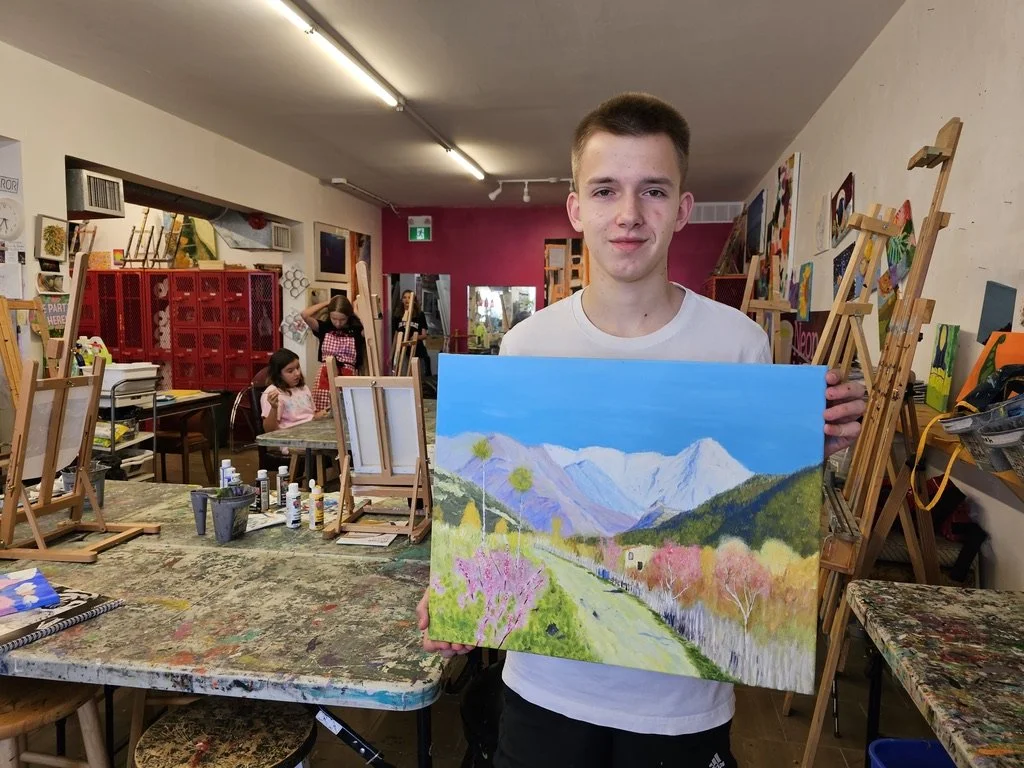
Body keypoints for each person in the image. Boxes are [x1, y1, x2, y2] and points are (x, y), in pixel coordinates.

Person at [415, 92, 867, 768]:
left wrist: (807, 451)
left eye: (653, 190)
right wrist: (456, 584)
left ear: (683, 208)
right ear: (576, 209)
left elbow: (754, 526)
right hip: (543, 689)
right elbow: (495, 507)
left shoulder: (738, 345)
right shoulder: (526, 346)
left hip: (682, 706)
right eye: (606, 190)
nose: (629, 214)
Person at [300, 294, 367, 411]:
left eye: (342, 319)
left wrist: (356, 311)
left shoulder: (356, 331)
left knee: (347, 410)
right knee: (323, 412)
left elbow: (369, 329)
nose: (338, 323)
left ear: (348, 316)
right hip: (325, 375)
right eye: (334, 318)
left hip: (348, 375)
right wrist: (328, 302)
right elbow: (304, 315)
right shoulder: (324, 328)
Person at [260, 348, 319, 433]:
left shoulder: (303, 388)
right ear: (278, 374)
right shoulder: (273, 393)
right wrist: (274, 407)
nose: (297, 373)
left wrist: (329, 410)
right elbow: (269, 430)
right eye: (290, 371)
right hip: (291, 437)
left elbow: (312, 416)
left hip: (311, 431)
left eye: (298, 368)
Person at [392, 289, 432, 376]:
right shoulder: (398, 316)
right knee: (403, 375)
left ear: (414, 300)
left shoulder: (420, 315)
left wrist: (416, 337)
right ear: (402, 300)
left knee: (417, 375)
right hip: (402, 351)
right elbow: (396, 336)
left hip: (417, 350)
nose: (407, 300)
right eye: (404, 297)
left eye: (409, 297)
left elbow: (424, 335)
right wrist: (391, 355)